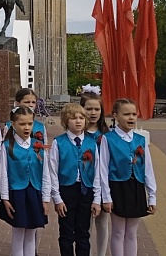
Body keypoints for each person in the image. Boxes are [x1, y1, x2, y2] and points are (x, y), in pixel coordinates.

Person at [99, 99, 157, 256]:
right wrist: (106, 197)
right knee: (118, 231)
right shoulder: (108, 139)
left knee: (132, 232)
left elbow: (148, 168)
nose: (131, 118)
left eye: (134, 114)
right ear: (116, 116)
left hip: (136, 187)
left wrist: (152, 196)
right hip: (117, 187)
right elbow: (103, 169)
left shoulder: (140, 140)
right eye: (126, 114)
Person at [47, 103, 101, 256]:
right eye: (73, 118)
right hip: (66, 191)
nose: (78, 121)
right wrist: (57, 198)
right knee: (66, 232)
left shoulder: (91, 143)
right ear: (65, 121)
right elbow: (53, 171)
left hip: (86, 190)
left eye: (81, 118)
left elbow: (97, 172)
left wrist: (97, 198)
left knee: (83, 232)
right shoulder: (59, 142)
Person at [0, 105, 51, 256]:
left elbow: (45, 173)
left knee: (31, 233)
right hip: (17, 193)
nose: (26, 127)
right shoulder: (7, 146)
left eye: (30, 123)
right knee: (19, 232)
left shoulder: (38, 145)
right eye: (22, 124)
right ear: (13, 125)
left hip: (34, 191)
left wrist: (46, 198)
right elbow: (4, 174)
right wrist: (5, 198)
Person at [81, 88, 110, 255]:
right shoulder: (78, 134)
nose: (93, 113)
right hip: (84, 184)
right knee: (85, 225)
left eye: (97, 109)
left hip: (103, 185)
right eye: (89, 109)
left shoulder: (106, 135)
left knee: (103, 224)